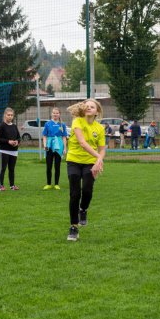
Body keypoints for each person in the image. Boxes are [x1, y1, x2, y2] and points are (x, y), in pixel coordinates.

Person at [65, 99, 106, 241]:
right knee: (74, 193)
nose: (89, 108)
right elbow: (82, 143)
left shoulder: (100, 128)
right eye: (87, 106)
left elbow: (102, 149)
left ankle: (83, 209)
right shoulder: (77, 121)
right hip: (73, 161)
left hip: (90, 163)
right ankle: (73, 227)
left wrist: (98, 160)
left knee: (87, 190)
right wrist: (98, 158)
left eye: (92, 106)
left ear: (97, 111)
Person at [42, 107, 67, 190]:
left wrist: (64, 148)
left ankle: (56, 184)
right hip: (49, 145)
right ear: (51, 114)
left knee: (57, 166)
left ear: (59, 114)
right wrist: (45, 145)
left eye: (57, 113)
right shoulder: (47, 124)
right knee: (48, 166)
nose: (55, 114)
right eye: (54, 113)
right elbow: (44, 136)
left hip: (59, 146)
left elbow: (64, 137)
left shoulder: (62, 124)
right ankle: (48, 184)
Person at [0, 107, 21, 191]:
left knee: (12, 169)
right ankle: (1, 186)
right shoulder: (2, 126)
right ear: (5, 115)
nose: (10, 116)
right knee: (3, 168)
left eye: (11, 115)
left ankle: (12, 185)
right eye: (8, 115)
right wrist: (8, 141)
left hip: (14, 151)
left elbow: (18, 137)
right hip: (4, 151)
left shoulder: (14, 126)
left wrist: (17, 142)